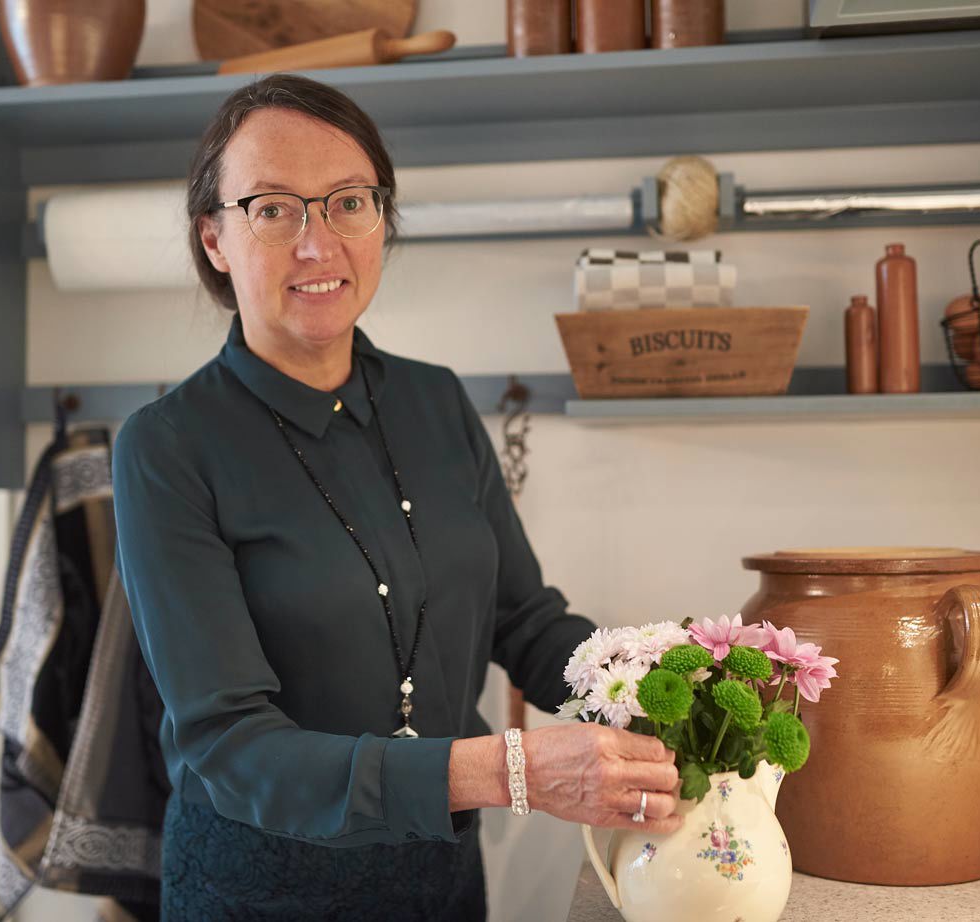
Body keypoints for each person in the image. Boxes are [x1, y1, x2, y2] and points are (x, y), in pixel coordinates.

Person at [111, 73, 683, 921]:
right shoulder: (166, 447)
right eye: (273, 209)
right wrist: (508, 770)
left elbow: (524, 621)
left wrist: (669, 683)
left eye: (348, 202)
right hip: (260, 890)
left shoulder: (435, 399)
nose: (318, 244)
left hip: (441, 878)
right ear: (214, 239)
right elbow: (231, 746)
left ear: (381, 220)